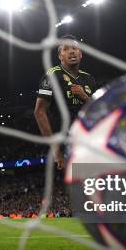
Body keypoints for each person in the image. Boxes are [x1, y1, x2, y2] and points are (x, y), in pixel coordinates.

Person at [34, 35, 97, 170]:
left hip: (88, 141)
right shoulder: (52, 76)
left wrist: (84, 97)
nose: (72, 51)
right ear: (60, 56)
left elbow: (97, 111)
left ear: (81, 54)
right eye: (66, 49)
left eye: (74, 48)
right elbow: (39, 112)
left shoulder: (89, 79)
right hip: (65, 145)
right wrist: (56, 151)